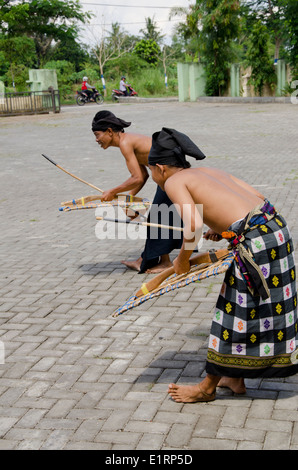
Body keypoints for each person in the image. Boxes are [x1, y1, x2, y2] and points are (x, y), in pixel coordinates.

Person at [147, 127, 298, 403]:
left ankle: (207, 388)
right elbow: (259, 199)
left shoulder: (173, 182)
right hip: (275, 229)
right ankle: (235, 378)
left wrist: (181, 261)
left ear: (160, 167)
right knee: (252, 307)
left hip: (257, 242)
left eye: (152, 173)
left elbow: (192, 226)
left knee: (233, 310)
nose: (153, 179)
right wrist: (227, 229)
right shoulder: (209, 172)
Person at [92, 111, 205, 273]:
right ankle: (149, 259)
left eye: (98, 134)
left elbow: (136, 178)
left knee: (159, 216)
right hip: (167, 174)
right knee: (161, 215)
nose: (96, 140)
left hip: (171, 175)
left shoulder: (125, 144)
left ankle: (162, 262)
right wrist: (128, 198)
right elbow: (143, 175)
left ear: (110, 132)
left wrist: (113, 191)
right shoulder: (127, 141)